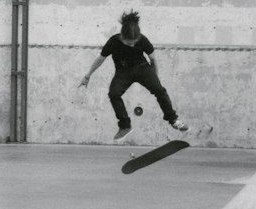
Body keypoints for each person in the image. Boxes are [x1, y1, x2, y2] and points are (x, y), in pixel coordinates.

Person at [79, 9, 188, 140]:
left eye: (134, 42)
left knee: (160, 90)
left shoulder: (142, 40)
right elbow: (100, 59)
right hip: (123, 72)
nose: (132, 44)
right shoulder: (113, 41)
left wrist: (155, 78)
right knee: (113, 93)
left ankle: (173, 120)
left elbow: (153, 60)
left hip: (142, 68)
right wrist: (88, 76)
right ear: (122, 36)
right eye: (129, 42)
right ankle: (125, 125)